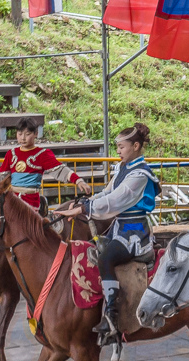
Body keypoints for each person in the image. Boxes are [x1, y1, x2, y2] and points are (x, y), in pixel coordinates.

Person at [56, 122, 161, 340]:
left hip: (133, 233)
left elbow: (115, 200)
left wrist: (85, 209)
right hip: (120, 228)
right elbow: (107, 192)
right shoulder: (124, 169)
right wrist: (86, 201)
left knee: (105, 258)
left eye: (122, 147)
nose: (119, 152)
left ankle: (112, 316)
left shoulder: (140, 175)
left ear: (136, 146)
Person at [0, 116, 91, 215]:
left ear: (36, 134)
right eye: (20, 134)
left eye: (27, 134)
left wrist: (78, 180)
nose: (23, 138)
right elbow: (2, 176)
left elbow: (59, 169)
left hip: (31, 201)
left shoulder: (42, 154)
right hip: (12, 199)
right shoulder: (11, 153)